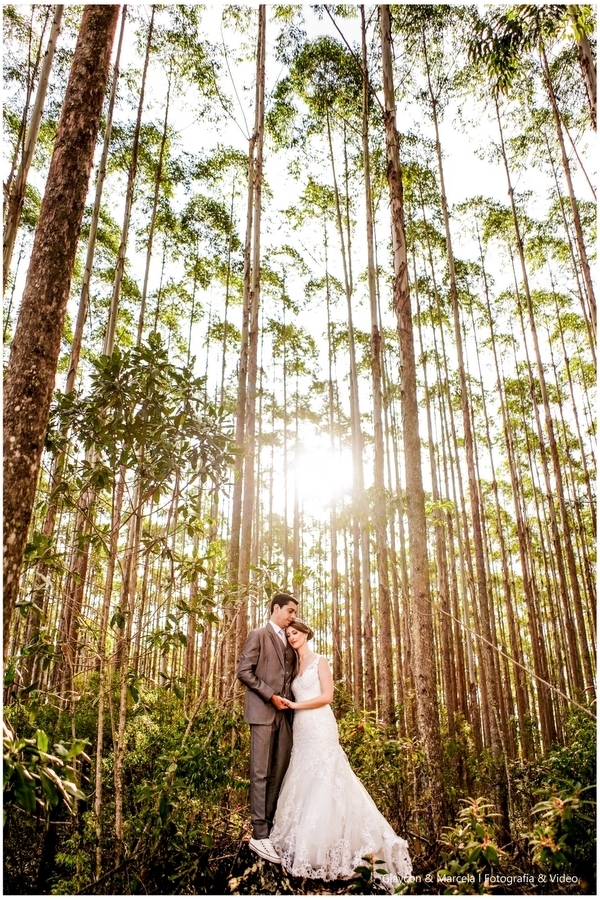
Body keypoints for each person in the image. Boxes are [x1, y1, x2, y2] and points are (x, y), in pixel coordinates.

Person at [269, 620, 412, 891]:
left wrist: (296, 705)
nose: (292, 637)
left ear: (306, 634)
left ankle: (347, 850)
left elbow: (327, 697)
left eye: (295, 632)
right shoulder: (293, 666)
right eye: (288, 634)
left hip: (320, 724)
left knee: (328, 779)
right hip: (301, 729)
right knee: (304, 778)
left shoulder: (320, 661)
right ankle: (309, 848)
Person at [236, 592, 298, 865]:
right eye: (290, 611)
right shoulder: (258, 635)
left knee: (278, 773)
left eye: (295, 613)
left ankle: (270, 831)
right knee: (260, 773)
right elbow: (244, 671)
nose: (293, 616)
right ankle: (259, 833)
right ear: (276, 609)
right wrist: (270, 695)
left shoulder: (291, 640)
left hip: (285, 718)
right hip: (262, 713)